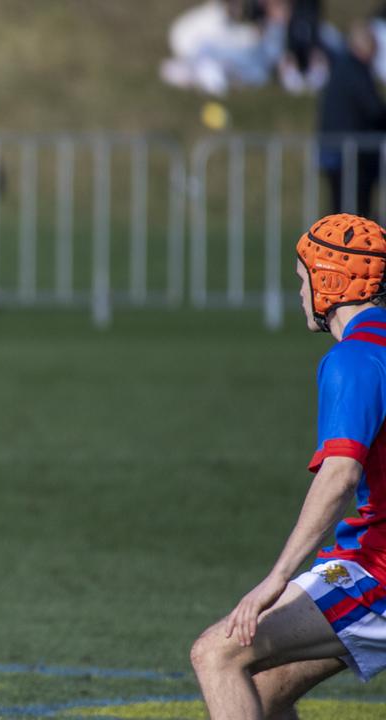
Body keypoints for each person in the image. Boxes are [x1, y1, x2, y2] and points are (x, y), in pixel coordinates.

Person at [191, 213, 386, 718]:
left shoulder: (354, 359)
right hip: (367, 561)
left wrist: (276, 578)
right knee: (266, 691)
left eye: (303, 279)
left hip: (380, 569)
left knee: (215, 653)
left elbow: (340, 474)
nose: (300, 293)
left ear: (330, 282)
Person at [318, 21, 386, 217]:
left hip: (339, 150)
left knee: (341, 209)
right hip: (351, 153)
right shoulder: (354, 69)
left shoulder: (341, 67)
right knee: (353, 212)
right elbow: (373, 109)